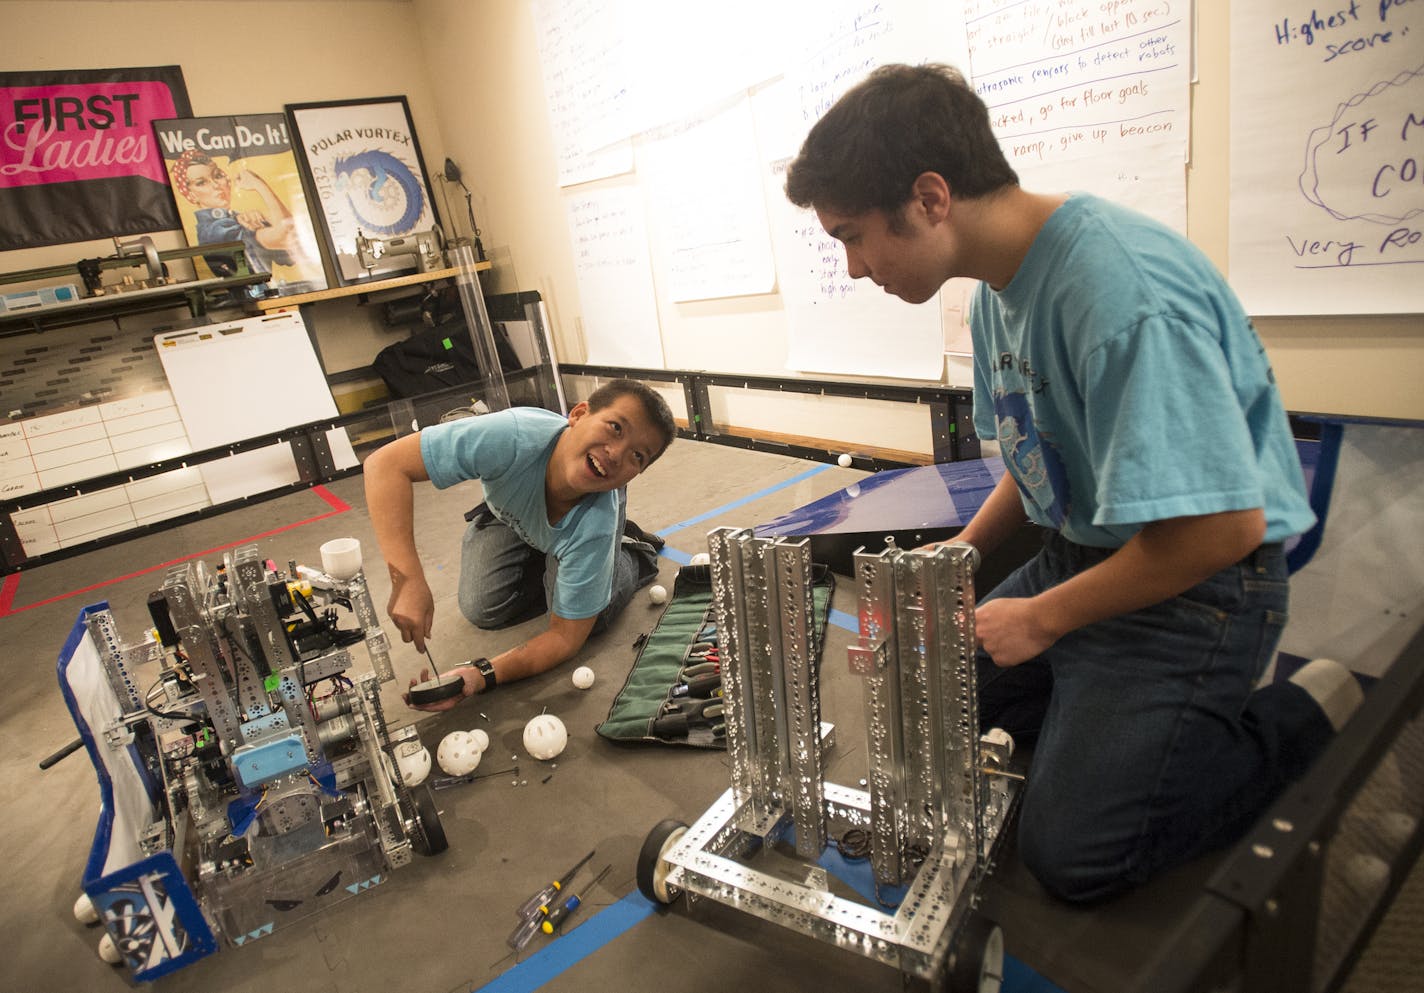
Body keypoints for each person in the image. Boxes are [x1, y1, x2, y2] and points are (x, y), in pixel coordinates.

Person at [784, 63, 1362, 903]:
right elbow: (1036, 457)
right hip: (1085, 554)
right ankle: (1111, 723)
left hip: (1203, 586)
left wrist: (1045, 617)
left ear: (931, 197)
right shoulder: (994, 294)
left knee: (1073, 853)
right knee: (935, 695)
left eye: (853, 234)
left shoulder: (1119, 294)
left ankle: (1293, 721)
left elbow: (1221, 530)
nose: (854, 266)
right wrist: (958, 555)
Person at [363, 380, 676, 710]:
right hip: (508, 514)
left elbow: (565, 637)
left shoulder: (594, 524)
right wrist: (407, 579)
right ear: (579, 414)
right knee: (483, 608)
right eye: (615, 428)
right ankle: (557, 556)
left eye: (637, 456)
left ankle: (630, 554)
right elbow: (385, 464)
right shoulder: (511, 436)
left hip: (577, 528)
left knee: (592, 620)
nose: (616, 453)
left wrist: (481, 674)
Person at [170, 149, 305, 276]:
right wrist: (260, 185)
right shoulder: (215, 230)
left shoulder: (237, 219)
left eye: (217, 175)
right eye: (201, 183)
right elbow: (286, 235)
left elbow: (296, 249)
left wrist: (263, 218)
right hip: (250, 297)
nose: (216, 185)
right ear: (191, 196)